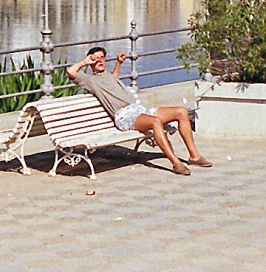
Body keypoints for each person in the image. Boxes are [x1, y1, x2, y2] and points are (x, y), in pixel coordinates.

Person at [66, 46, 211, 176]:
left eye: (102, 58)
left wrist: (119, 63)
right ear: (91, 62)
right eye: (95, 59)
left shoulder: (108, 76)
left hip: (138, 109)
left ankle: (194, 157)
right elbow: (70, 71)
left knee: (181, 111)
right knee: (155, 122)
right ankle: (176, 163)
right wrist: (85, 62)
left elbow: (113, 79)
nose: (99, 61)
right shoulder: (90, 80)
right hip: (124, 116)